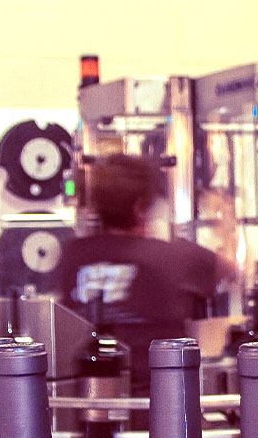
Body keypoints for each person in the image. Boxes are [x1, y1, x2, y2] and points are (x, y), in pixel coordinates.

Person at [59, 154, 238, 387]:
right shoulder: (173, 257)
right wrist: (224, 221)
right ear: (140, 207)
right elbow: (239, 270)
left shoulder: (72, 256)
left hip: (87, 404)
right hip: (159, 404)